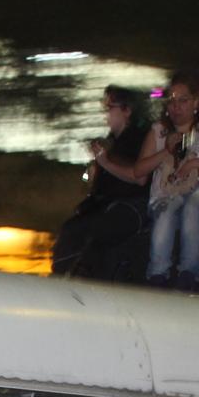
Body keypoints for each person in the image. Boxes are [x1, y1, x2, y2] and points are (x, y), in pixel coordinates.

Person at [133, 71, 199, 291]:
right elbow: (138, 171)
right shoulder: (158, 132)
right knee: (167, 210)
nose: (176, 107)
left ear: (196, 102)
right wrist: (166, 152)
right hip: (169, 193)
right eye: (172, 102)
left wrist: (193, 164)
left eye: (183, 101)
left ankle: (188, 275)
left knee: (193, 204)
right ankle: (157, 275)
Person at [51, 86, 151, 280]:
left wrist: (106, 162)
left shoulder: (140, 139)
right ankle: (64, 275)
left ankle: (82, 275)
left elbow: (138, 177)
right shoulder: (111, 141)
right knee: (71, 230)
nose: (105, 114)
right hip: (105, 204)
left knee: (96, 233)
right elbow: (90, 180)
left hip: (130, 205)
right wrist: (93, 171)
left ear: (127, 110)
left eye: (110, 108)